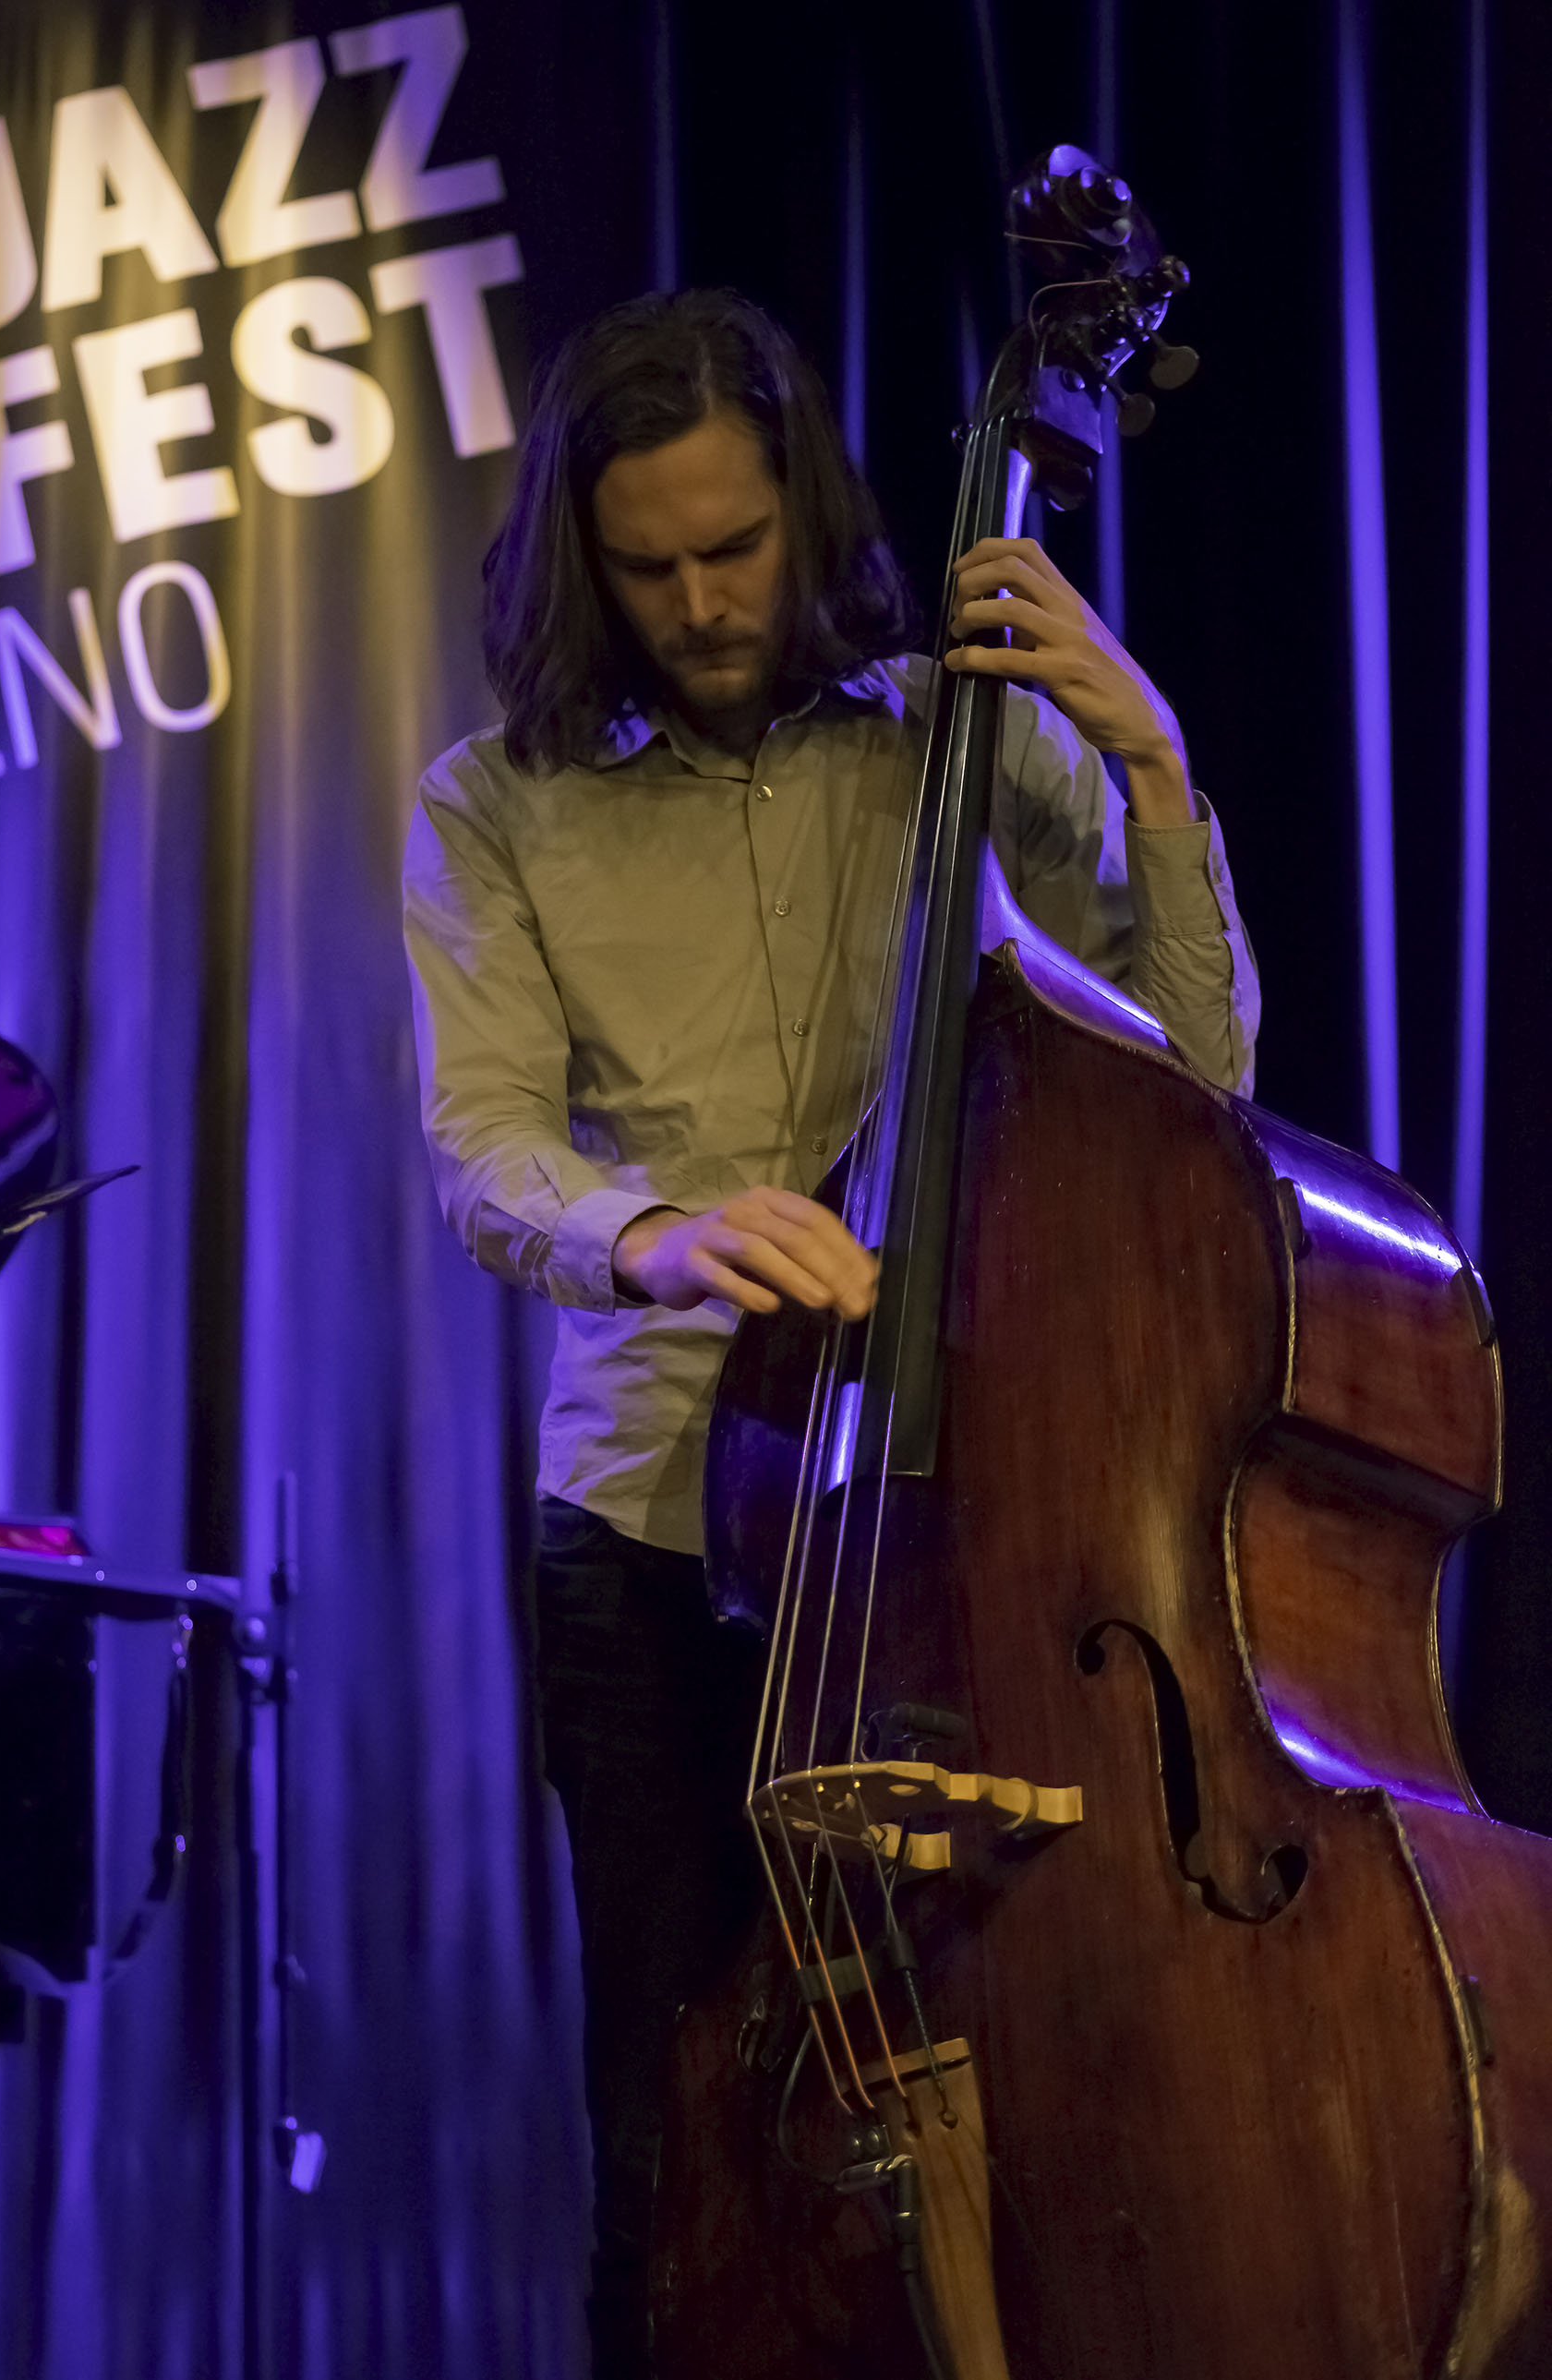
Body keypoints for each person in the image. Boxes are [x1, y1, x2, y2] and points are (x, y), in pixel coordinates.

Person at [402, 288, 1258, 2376]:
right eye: (650, 566)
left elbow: (1204, 1086)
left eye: (736, 544)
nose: (703, 603)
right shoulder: (491, 803)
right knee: (672, 2115)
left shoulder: (960, 732)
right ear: (577, 558)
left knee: (1046, 2059)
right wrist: (660, 1232)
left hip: (973, 1510)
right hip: (655, 1526)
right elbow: (483, 1144)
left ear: (802, 505)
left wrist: (1149, 765)